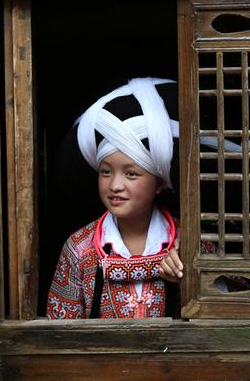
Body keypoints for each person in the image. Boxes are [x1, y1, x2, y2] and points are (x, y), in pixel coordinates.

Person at [46, 78, 184, 319]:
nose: (115, 185)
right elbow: (59, 332)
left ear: (161, 182)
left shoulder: (189, 243)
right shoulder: (79, 249)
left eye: (131, 174)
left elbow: (225, 311)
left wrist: (186, 279)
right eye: (106, 172)